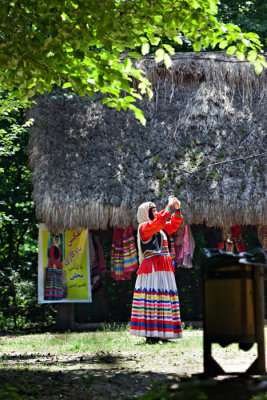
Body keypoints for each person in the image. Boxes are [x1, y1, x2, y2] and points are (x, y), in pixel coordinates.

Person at [130, 195, 184, 343]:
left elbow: (173, 225)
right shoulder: (145, 227)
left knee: (163, 299)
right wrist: (168, 206)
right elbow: (160, 221)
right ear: (145, 214)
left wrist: (177, 209)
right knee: (153, 299)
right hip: (152, 268)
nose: (155, 213)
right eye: (152, 211)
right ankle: (151, 334)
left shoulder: (158, 227)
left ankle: (163, 332)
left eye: (155, 211)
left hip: (163, 266)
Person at [44, 235, 64, 300]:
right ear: (54, 240)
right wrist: (54, 264)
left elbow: (60, 259)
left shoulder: (59, 249)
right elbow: (52, 256)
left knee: (58, 283)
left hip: (58, 267)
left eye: (58, 240)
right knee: (52, 282)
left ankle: (57, 296)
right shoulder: (52, 247)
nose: (57, 241)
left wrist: (61, 266)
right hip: (53, 266)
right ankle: (50, 296)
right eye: (56, 239)